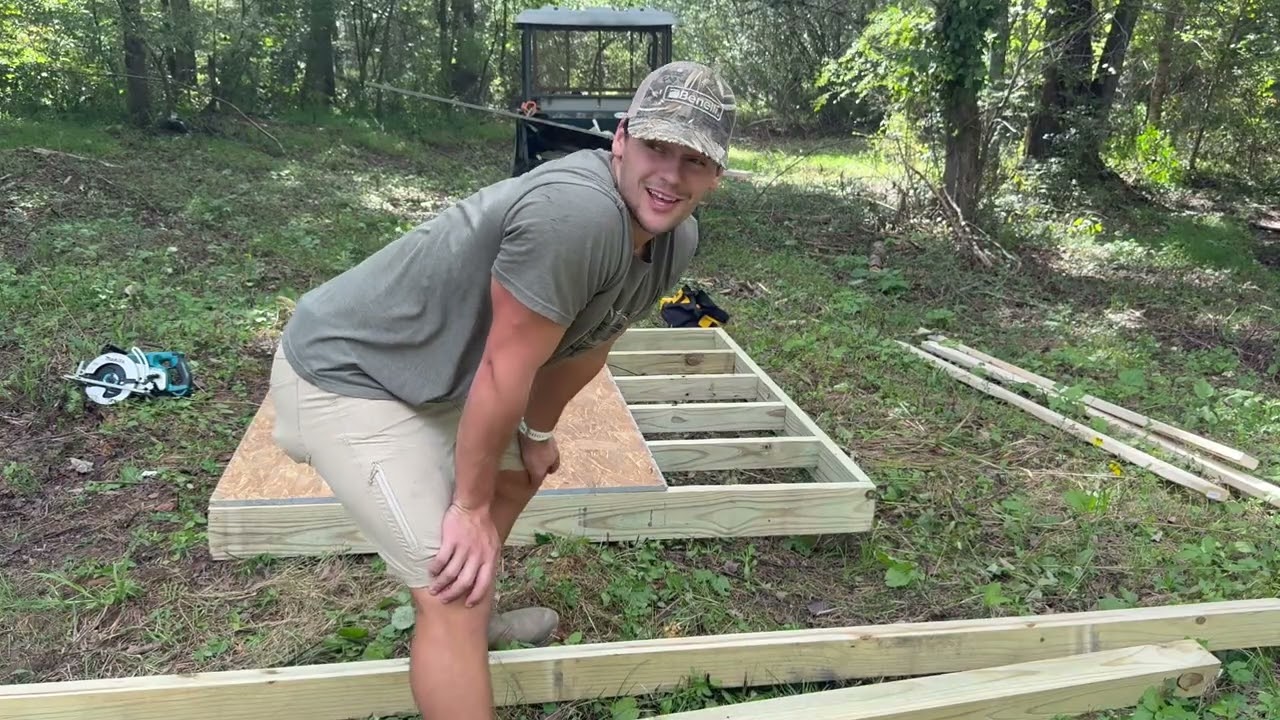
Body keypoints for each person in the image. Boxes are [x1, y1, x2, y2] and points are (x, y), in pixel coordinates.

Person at [268, 60, 736, 719]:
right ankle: (465, 618)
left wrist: (536, 434)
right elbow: (501, 370)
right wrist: (465, 507)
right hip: (349, 374)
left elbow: (592, 341)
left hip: (434, 379)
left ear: (716, 176)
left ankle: (475, 627)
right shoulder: (576, 215)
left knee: (517, 474)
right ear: (621, 138)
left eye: (694, 160)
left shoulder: (675, 238)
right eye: (657, 147)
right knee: (448, 590)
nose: (670, 175)